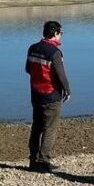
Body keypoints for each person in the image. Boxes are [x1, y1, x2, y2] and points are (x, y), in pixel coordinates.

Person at [25, 20, 71, 172]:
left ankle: (33, 160)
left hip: (35, 93)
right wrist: (67, 90)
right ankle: (44, 161)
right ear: (56, 34)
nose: (61, 37)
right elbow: (60, 75)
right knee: (50, 128)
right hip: (51, 95)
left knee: (37, 126)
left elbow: (28, 69)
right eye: (60, 34)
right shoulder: (55, 52)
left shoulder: (33, 48)